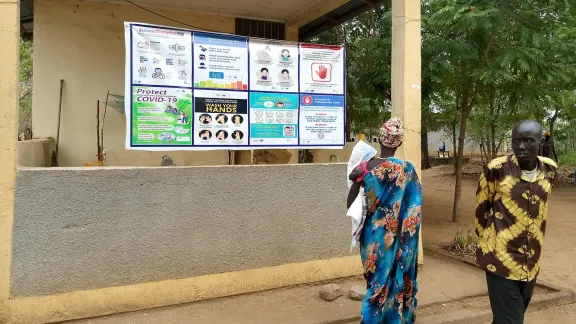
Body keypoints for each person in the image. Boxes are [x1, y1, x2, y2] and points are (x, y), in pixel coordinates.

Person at [475, 120, 557, 324]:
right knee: (512, 320)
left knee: (509, 317)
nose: (521, 147)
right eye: (516, 141)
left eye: (528, 141)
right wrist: (490, 245)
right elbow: (481, 211)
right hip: (500, 258)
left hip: (531, 260)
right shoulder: (496, 169)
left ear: (541, 142)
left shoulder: (549, 169)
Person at [347, 117, 422, 324]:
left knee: (376, 282)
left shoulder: (364, 168)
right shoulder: (407, 170)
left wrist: (357, 179)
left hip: (373, 237)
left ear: (379, 140)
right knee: (395, 278)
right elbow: (414, 208)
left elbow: (350, 205)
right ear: (398, 143)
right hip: (399, 238)